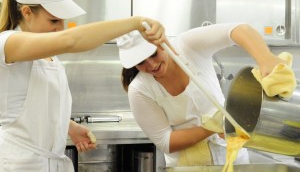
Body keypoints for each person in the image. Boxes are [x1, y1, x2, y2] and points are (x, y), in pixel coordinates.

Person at [0, 0, 165, 171]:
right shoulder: (7, 42)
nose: (60, 28)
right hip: (19, 164)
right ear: (27, 12)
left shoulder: (49, 57)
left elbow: (32, 105)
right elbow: (71, 40)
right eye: (53, 21)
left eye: (63, 21)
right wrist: (135, 22)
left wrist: (68, 126)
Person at [117, 23, 296, 167]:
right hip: (188, 166)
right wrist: (214, 126)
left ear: (162, 42)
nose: (151, 65)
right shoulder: (139, 90)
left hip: (232, 157)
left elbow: (237, 30)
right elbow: (166, 142)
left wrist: (265, 58)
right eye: (140, 63)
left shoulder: (189, 45)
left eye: (153, 54)